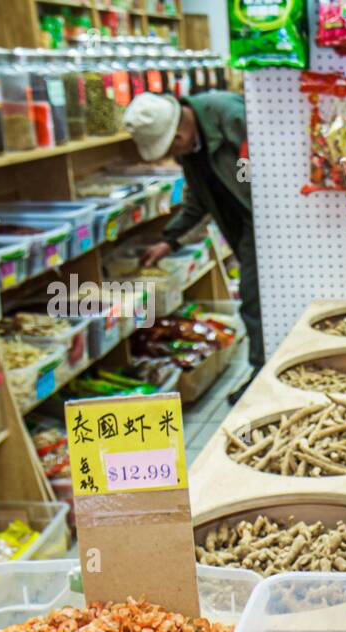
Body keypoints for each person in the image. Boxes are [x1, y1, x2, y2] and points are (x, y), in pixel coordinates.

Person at [123, 91, 261, 403]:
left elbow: (269, 164)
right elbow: (199, 200)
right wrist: (169, 240)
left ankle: (262, 377)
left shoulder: (229, 117)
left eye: (170, 148)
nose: (172, 156)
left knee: (253, 302)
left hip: (269, 222)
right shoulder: (192, 150)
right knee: (257, 303)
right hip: (246, 225)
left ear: (180, 134)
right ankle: (264, 373)